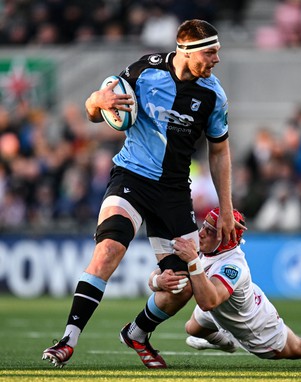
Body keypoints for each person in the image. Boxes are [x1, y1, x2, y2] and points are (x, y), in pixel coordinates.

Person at [42, 19, 240, 369]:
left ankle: (137, 332)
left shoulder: (213, 95)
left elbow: (220, 151)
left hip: (175, 191)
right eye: (210, 52)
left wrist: (227, 208)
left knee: (182, 285)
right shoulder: (145, 71)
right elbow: (96, 112)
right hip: (131, 176)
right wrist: (95, 100)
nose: (216, 59)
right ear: (186, 50)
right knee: (108, 250)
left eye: (217, 52)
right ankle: (67, 341)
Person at [164, 207, 301, 368]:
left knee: (299, 348)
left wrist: (193, 261)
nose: (201, 233)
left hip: (254, 324)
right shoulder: (210, 248)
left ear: (225, 239)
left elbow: (208, 301)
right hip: (224, 303)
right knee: (193, 328)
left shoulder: (232, 266)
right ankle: (228, 342)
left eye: (210, 231)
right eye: (204, 227)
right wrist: (157, 281)